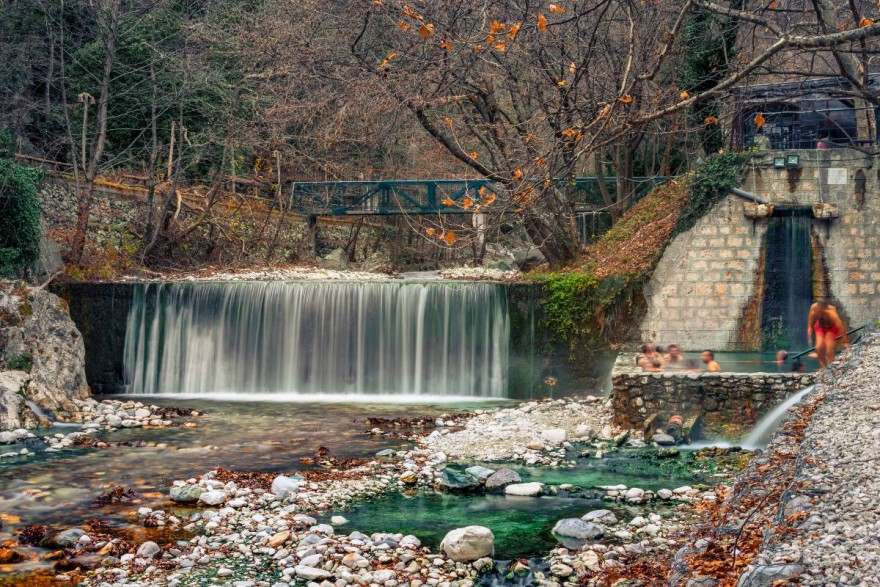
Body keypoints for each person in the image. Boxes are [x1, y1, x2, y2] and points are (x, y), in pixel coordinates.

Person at [807, 301, 849, 368]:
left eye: (819, 312)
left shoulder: (832, 313)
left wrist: (845, 342)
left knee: (829, 350)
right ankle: (823, 367)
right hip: (820, 327)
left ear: (824, 311)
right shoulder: (814, 308)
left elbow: (841, 328)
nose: (816, 313)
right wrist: (809, 333)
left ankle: (832, 367)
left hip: (832, 328)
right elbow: (810, 324)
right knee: (819, 348)